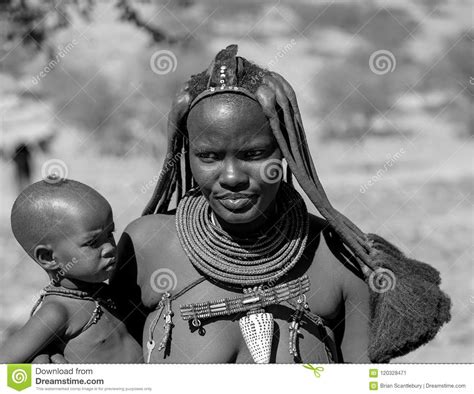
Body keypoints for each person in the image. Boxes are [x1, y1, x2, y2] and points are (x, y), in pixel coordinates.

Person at [108, 45, 450, 364]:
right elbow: (107, 358)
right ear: (187, 156)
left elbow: (364, 384)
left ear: (284, 152)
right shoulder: (146, 247)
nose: (232, 176)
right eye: (209, 156)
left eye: (254, 154)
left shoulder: (335, 258)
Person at [0, 177, 143, 363]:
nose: (109, 247)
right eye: (92, 243)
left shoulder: (106, 292)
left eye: (110, 234)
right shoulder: (57, 312)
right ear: (48, 258)